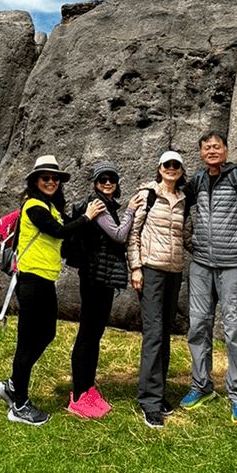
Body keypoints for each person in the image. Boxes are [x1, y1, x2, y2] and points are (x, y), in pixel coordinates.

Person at [0, 155, 105, 426]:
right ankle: (19, 404)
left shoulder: (51, 207)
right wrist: (88, 217)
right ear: (35, 181)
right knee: (27, 341)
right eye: (45, 178)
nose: (51, 182)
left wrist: (89, 211)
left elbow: (69, 225)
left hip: (44, 281)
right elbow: (59, 231)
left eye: (55, 178)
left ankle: (13, 384)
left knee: (46, 333)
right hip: (31, 281)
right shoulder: (33, 205)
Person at [180, 130, 237, 425]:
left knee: (235, 329)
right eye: (206, 147)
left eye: (216, 146)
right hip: (201, 266)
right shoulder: (197, 181)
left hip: (233, 266)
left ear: (225, 151)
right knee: (198, 326)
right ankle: (201, 386)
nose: (212, 151)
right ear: (201, 153)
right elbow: (177, 203)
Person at [67, 161, 145, 418]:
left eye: (112, 179)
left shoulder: (107, 205)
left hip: (103, 278)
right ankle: (79, 394)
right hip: (94, 278)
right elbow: (119, 235)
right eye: (103, 180)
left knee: (95, 333)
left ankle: (88, 387)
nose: (108, 183)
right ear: (95, 184)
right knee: (88, 333)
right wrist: (131, 210)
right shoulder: (99, 206)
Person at [127, 151, 188, 428]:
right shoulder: (148, 195)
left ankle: (158, 391)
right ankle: (150, 402)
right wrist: (136, 267)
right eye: (167, 164)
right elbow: (134, 233)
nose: (171, 168)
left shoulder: (184, 198)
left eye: (176, 165)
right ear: (159, 168)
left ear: (181, 170)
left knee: (164, 332)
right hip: (151, 269)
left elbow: (184, 234)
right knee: (153, 333)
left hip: (174, 271)